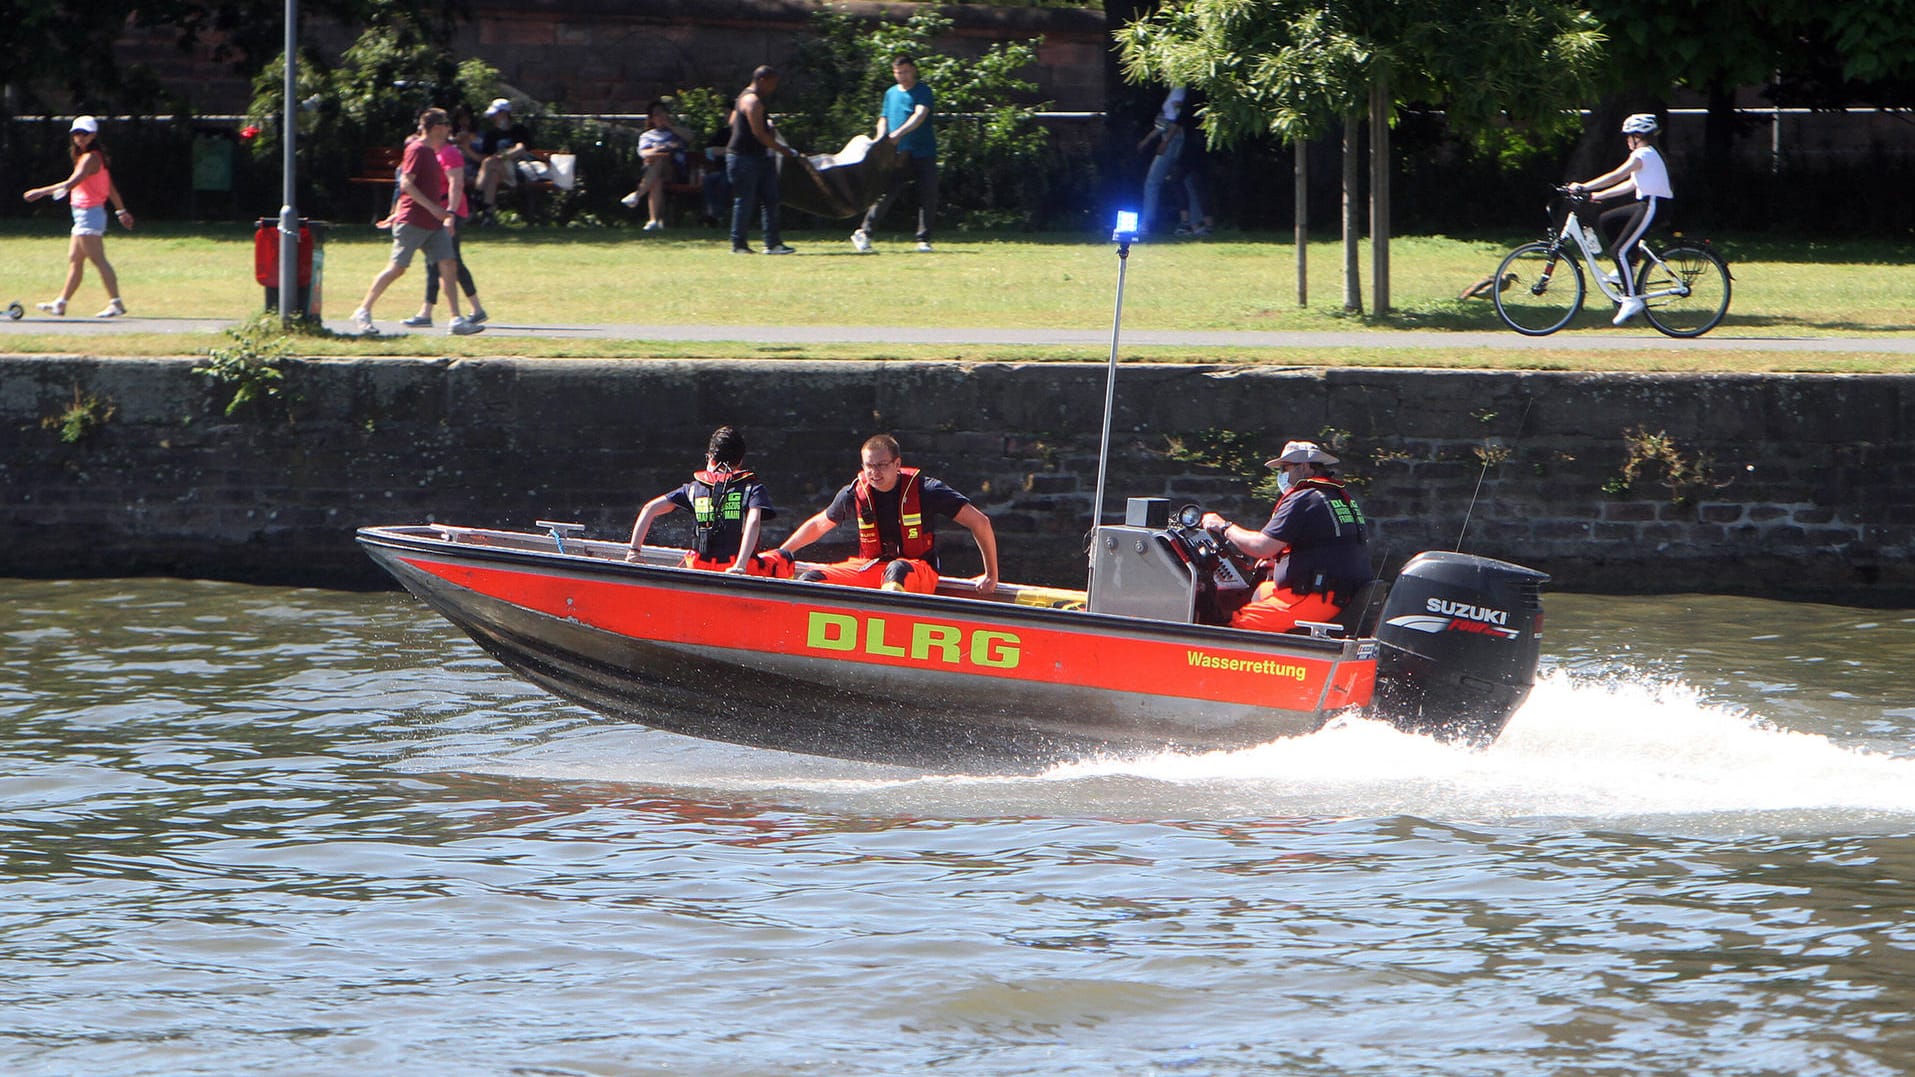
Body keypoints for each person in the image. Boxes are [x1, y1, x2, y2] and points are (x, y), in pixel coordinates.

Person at [778, 434, 998, 594]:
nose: (875, 473)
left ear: (897, 464)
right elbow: (819, 525)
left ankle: (889, 617)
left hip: (917, 571)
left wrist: (991, 575)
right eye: (869, 466)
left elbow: (980, 522)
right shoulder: (854, 493)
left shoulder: (927, 490)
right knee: (812, 577)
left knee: (897, 569)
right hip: (873, 568)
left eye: (882, 465)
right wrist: (783, 552)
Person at [1199, 440, 1372, 634]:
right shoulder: (1335, 496)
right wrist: (1282, 564)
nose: (1282, 475)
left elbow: (1260, 547)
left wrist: (1223, 526)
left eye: (1285, 468)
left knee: (1241, 622)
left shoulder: (1304, 498)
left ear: (1305, 467)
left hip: (1320, 597)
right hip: (1342, 593)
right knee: (1259, 592)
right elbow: (1330, 547)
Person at [350, 108, 483, 337]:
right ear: (436, 127)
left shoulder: (431, 151)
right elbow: (406, 185)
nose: (448, 129)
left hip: (433, 223)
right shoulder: (417, 149)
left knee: (448, 263)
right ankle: (363, 310)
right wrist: (433, 208)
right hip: (413, 220)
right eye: (445, 125)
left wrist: (439, 212)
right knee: (397, 268)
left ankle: (456, 319)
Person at [626, 426, 795, 576]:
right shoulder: (752, 488)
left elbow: (649, 509)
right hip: (735, 565)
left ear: (710, 458)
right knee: (783, 558)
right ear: (740, 461)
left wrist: (634, 552)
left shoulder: (692, 488)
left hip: (698, 566)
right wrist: (740, 566)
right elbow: (753, 523)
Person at [21, 115, 134, 318]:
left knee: (98, 259)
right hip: (84, 213)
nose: (79, 137)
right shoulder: (91, 157)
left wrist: (40, 192)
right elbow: (110, 188)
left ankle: (116, 303)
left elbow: (72, 182)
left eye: (84, 134)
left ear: (93, 136)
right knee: (75, 260)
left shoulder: (91, 158)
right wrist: (121, 211)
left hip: (89, 214)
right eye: (76, 134)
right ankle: (61, 303)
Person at [1571, 112, 1673, 327]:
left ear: (1639, 136)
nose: (1627, 140)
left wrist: (1584, 186)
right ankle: (1629, 266)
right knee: (1608, 220)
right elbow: (1629, 185)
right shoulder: (1647, 155)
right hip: (1647, 203)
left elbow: (1617, 175)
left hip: (1653, 205)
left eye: (1629, 136)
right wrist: (1597, 195)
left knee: (1619, 250)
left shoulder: (1642, 154)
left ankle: (1631, 299)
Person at [403, 111, 488, 329]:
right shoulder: (431, 152)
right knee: (443, 261)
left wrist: (450, 213)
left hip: (450, 213)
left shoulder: (449, 153)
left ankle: (465, 310)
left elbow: (456, 184)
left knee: (446, 261)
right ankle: (435, 311)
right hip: (438, 213)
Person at [850, 55, 938, 254]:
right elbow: (884, 117)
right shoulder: (891, 93)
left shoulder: (923, 91)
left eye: (906, 71)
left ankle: (923, 240)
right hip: (897, 155)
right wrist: (881, 136)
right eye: (899, 73)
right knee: (886, 193)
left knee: (928, 195)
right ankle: (864, 233)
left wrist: (899, 133)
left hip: (923, 151)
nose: (903, 76)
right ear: (894, 73)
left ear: (913, 70)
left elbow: (920, 114)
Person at [726, 65, 803, 255]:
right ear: (762, 80)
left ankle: (773, 244)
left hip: (759, 157)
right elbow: (760, 135)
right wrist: (784, 150)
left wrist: (764, 121)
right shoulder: (752, 101)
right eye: (772, 83)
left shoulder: (744, 98)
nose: (773, 88)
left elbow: (732, 122)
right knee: (745, 200)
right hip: (743, 158)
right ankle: (739, 245)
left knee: (771, 198)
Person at [620, 101, 692, 231]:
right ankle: (654, 221)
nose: (661, 117)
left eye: (663, 113)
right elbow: (644, 153)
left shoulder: (676, 132)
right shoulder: (647, 136)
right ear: (652, 119)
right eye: (657, 114)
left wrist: (671, 127)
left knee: (660, 161)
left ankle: (637, 195)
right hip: (654, 171)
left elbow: (690, 137)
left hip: (675, 172)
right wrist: (661, 149)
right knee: (656, 178)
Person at [474, 98, 541, 223]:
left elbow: (521, 149)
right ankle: (487, 215)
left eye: (495, 115)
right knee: (492, 173)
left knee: (490, 162)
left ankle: (477, 195)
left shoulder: (519, 130)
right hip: (500, 171)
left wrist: (502, 157)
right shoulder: (491, 134)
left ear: (504, 113)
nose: (493, 118)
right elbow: (486, 157)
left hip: (518, 170)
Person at [1137, 86, 1187, 236]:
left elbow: (1178, 119)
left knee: (1153, 181)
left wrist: (1166, 141)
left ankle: (1147, 222)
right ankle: (1195, 222)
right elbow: (1164, 122)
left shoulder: (1180, 90)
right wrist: (1147, 140)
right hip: (1170, 136)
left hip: (1173, 138)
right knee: (1186, 180)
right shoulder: (1175, 90)